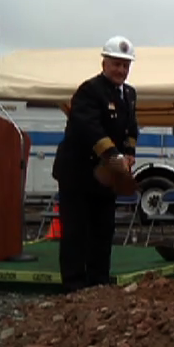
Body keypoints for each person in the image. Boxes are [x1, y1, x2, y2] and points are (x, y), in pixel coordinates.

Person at [52, 35, 139, 293]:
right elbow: (89, 129)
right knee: (76, 232)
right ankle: (74, 287)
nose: (121, 70)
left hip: (107, 177)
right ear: (104, 64)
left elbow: (131, 128)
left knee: (103, 230)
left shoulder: (130, 94)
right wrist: (115, 156)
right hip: (78, 174)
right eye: (116, 64)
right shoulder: (89, 90)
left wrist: (130, 152)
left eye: (125, 65)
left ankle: (99, 283)